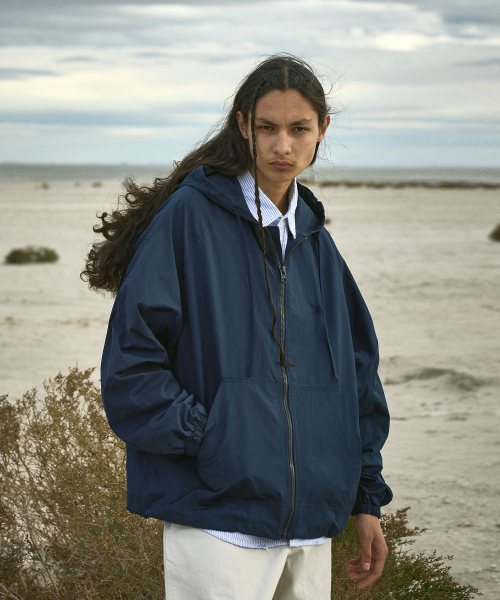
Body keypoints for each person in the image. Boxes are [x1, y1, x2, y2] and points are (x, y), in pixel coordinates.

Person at [82, 53, 393, 599]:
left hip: (310, 529)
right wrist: (215, 440)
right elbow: (131, 368)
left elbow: (359, 377)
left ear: (322, 129)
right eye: (268, 128)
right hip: (217, 522)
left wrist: (367, 498)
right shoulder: (189, 219)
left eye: (299, 129)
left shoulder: (315, 242)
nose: (282, 146)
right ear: (244, 125)